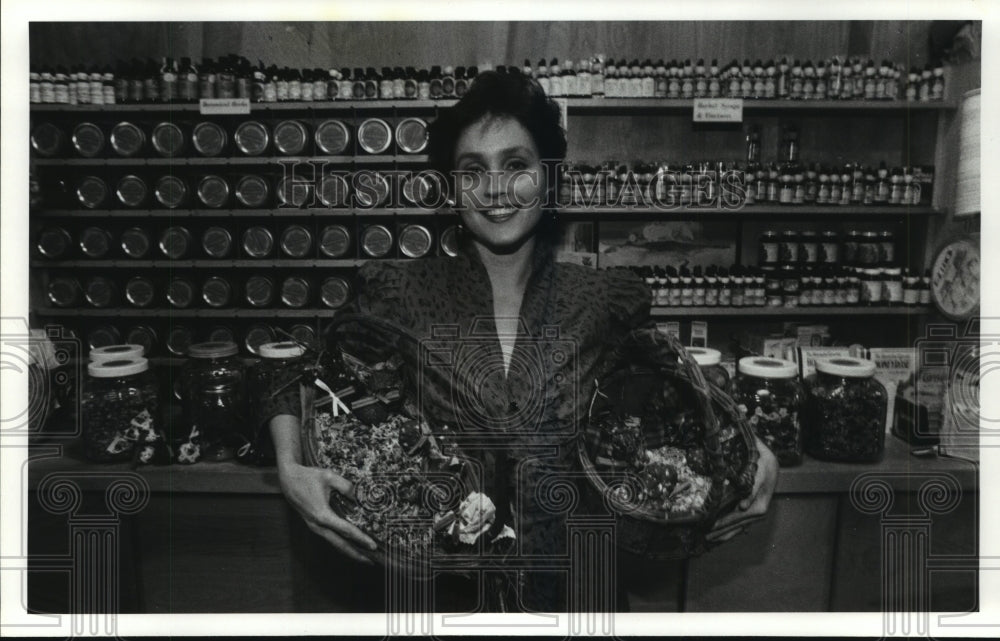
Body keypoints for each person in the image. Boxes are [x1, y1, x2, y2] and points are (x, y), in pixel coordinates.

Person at [265, 69, 778, 613]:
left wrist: (754, 451)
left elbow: (687, 400)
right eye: (472, 170)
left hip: (576, 592)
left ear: (548, 177)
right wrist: (291, 468)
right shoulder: (398, 292)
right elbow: (297, 374)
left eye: (516, 165)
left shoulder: (603, 301)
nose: (495, 189)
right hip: (434, 594)